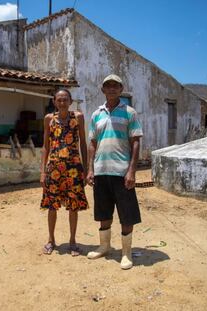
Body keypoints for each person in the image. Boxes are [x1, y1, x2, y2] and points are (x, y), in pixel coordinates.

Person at [86, 74, 143, 269]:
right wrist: (90, 169)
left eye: (115, 86)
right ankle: (104, 246)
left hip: (122, 172)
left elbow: (135, 142)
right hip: (101, 172)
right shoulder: (96, 114)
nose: (111, 89)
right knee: (103, 212)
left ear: (121, 89)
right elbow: (92, 143)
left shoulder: (129, 112)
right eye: (108, 86)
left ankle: (126, 253)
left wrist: (132, 171)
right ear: (103, 90)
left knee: (127, 214)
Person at [40, 89, 89, 256]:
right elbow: (46, 146)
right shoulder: (49, 119)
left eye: (65, 99)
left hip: (74, 169)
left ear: (70, 101)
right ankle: (51, 240)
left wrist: (86, 169)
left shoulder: (78, 117)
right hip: (53, 169)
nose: (62, 102)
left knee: (73, 206)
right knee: (51, 206)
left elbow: (83, 143)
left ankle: (73, 241)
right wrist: (42, 171)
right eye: (59, 100)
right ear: (54, 101)